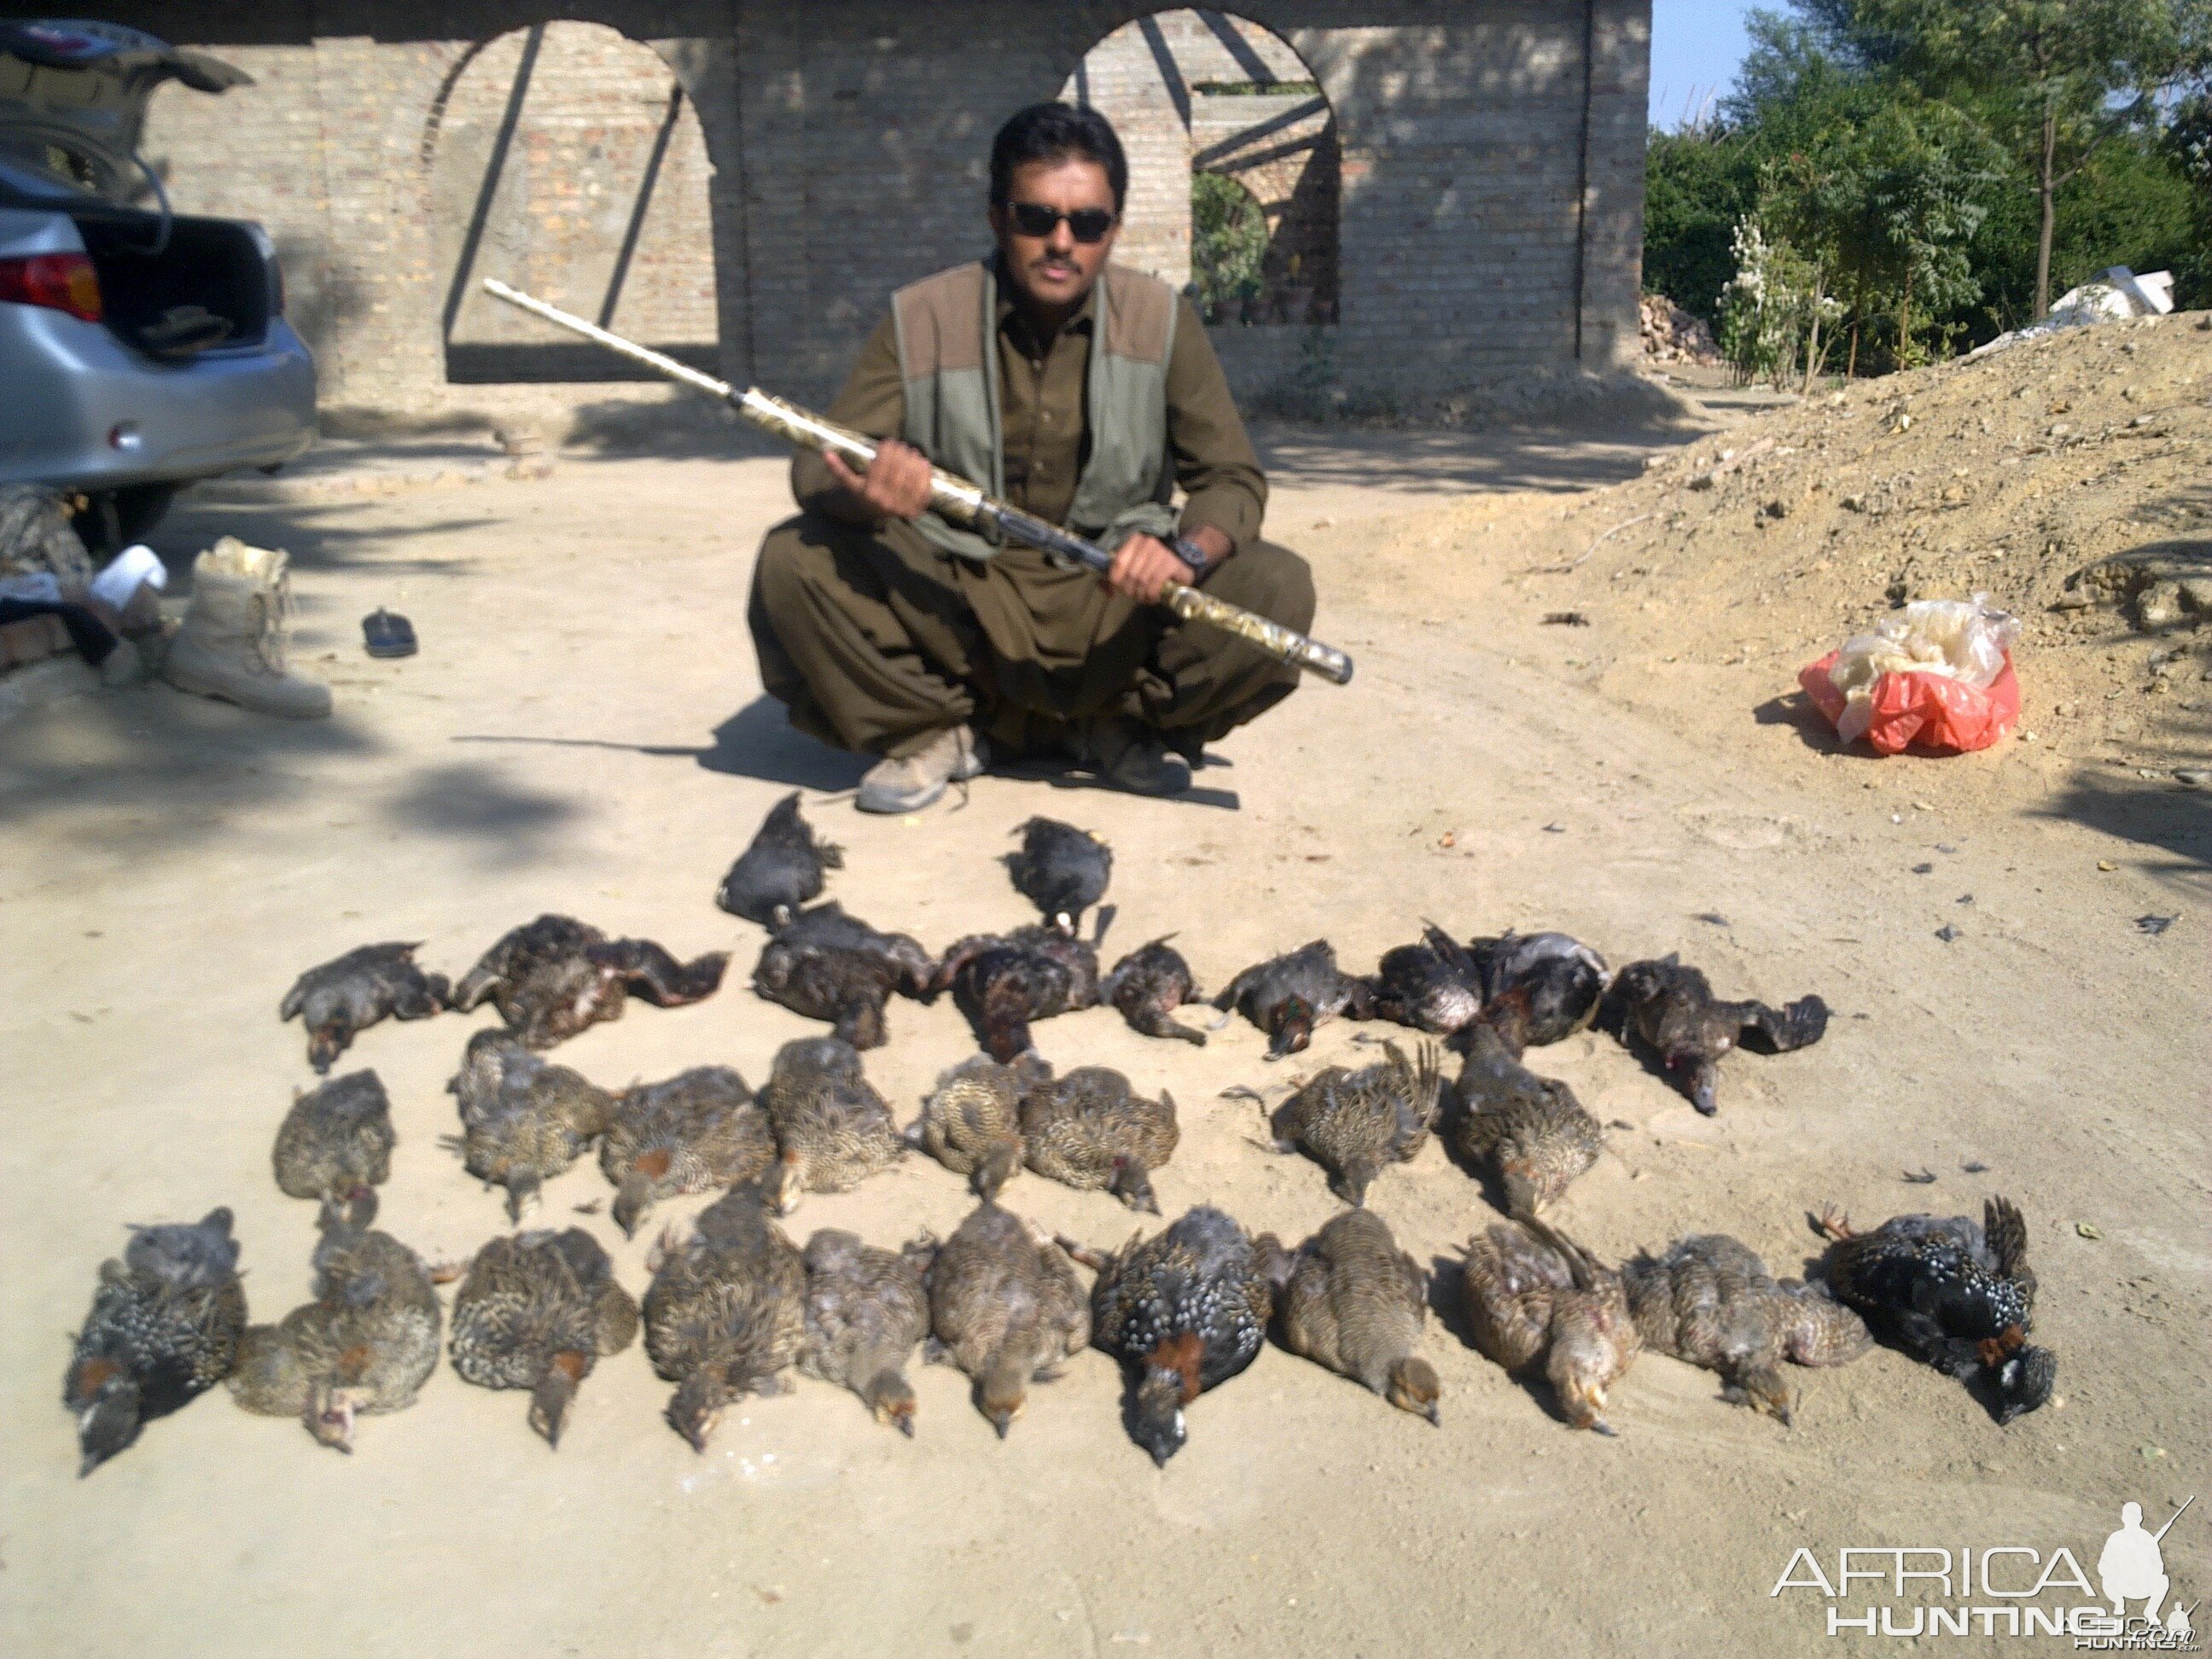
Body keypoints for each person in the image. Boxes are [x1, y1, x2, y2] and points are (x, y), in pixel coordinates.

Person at [748, 102, 1316, 813]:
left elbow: (1231, 478)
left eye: (1087, 223)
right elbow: (816, 464)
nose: (1060, 242)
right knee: (792, 562)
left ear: (1113, 229)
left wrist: (1187, 556)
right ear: (996, 218)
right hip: (960, 596)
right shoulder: (920, 317)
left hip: (1112, 598)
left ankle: (1115, 727)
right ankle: (939, 729)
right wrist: (866, 493)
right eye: (1035, 218)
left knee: (1278, 590)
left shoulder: (1163, 321)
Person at [2097, 1502, 2170, 1625]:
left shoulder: (2148, 1538)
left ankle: (2151, 1611)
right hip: (2120, 1586)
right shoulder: (2116, 1537)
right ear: (2123, 1519)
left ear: (2140, 1519)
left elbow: (2159, 1567)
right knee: (2106, 1578)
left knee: (2163, 1580)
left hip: (2141, 1586)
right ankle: (2119, 1602)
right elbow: (2103, 1566)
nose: (2131, 1520)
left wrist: (2143, 1565)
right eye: (2129, 1517)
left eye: (2134, 1517)